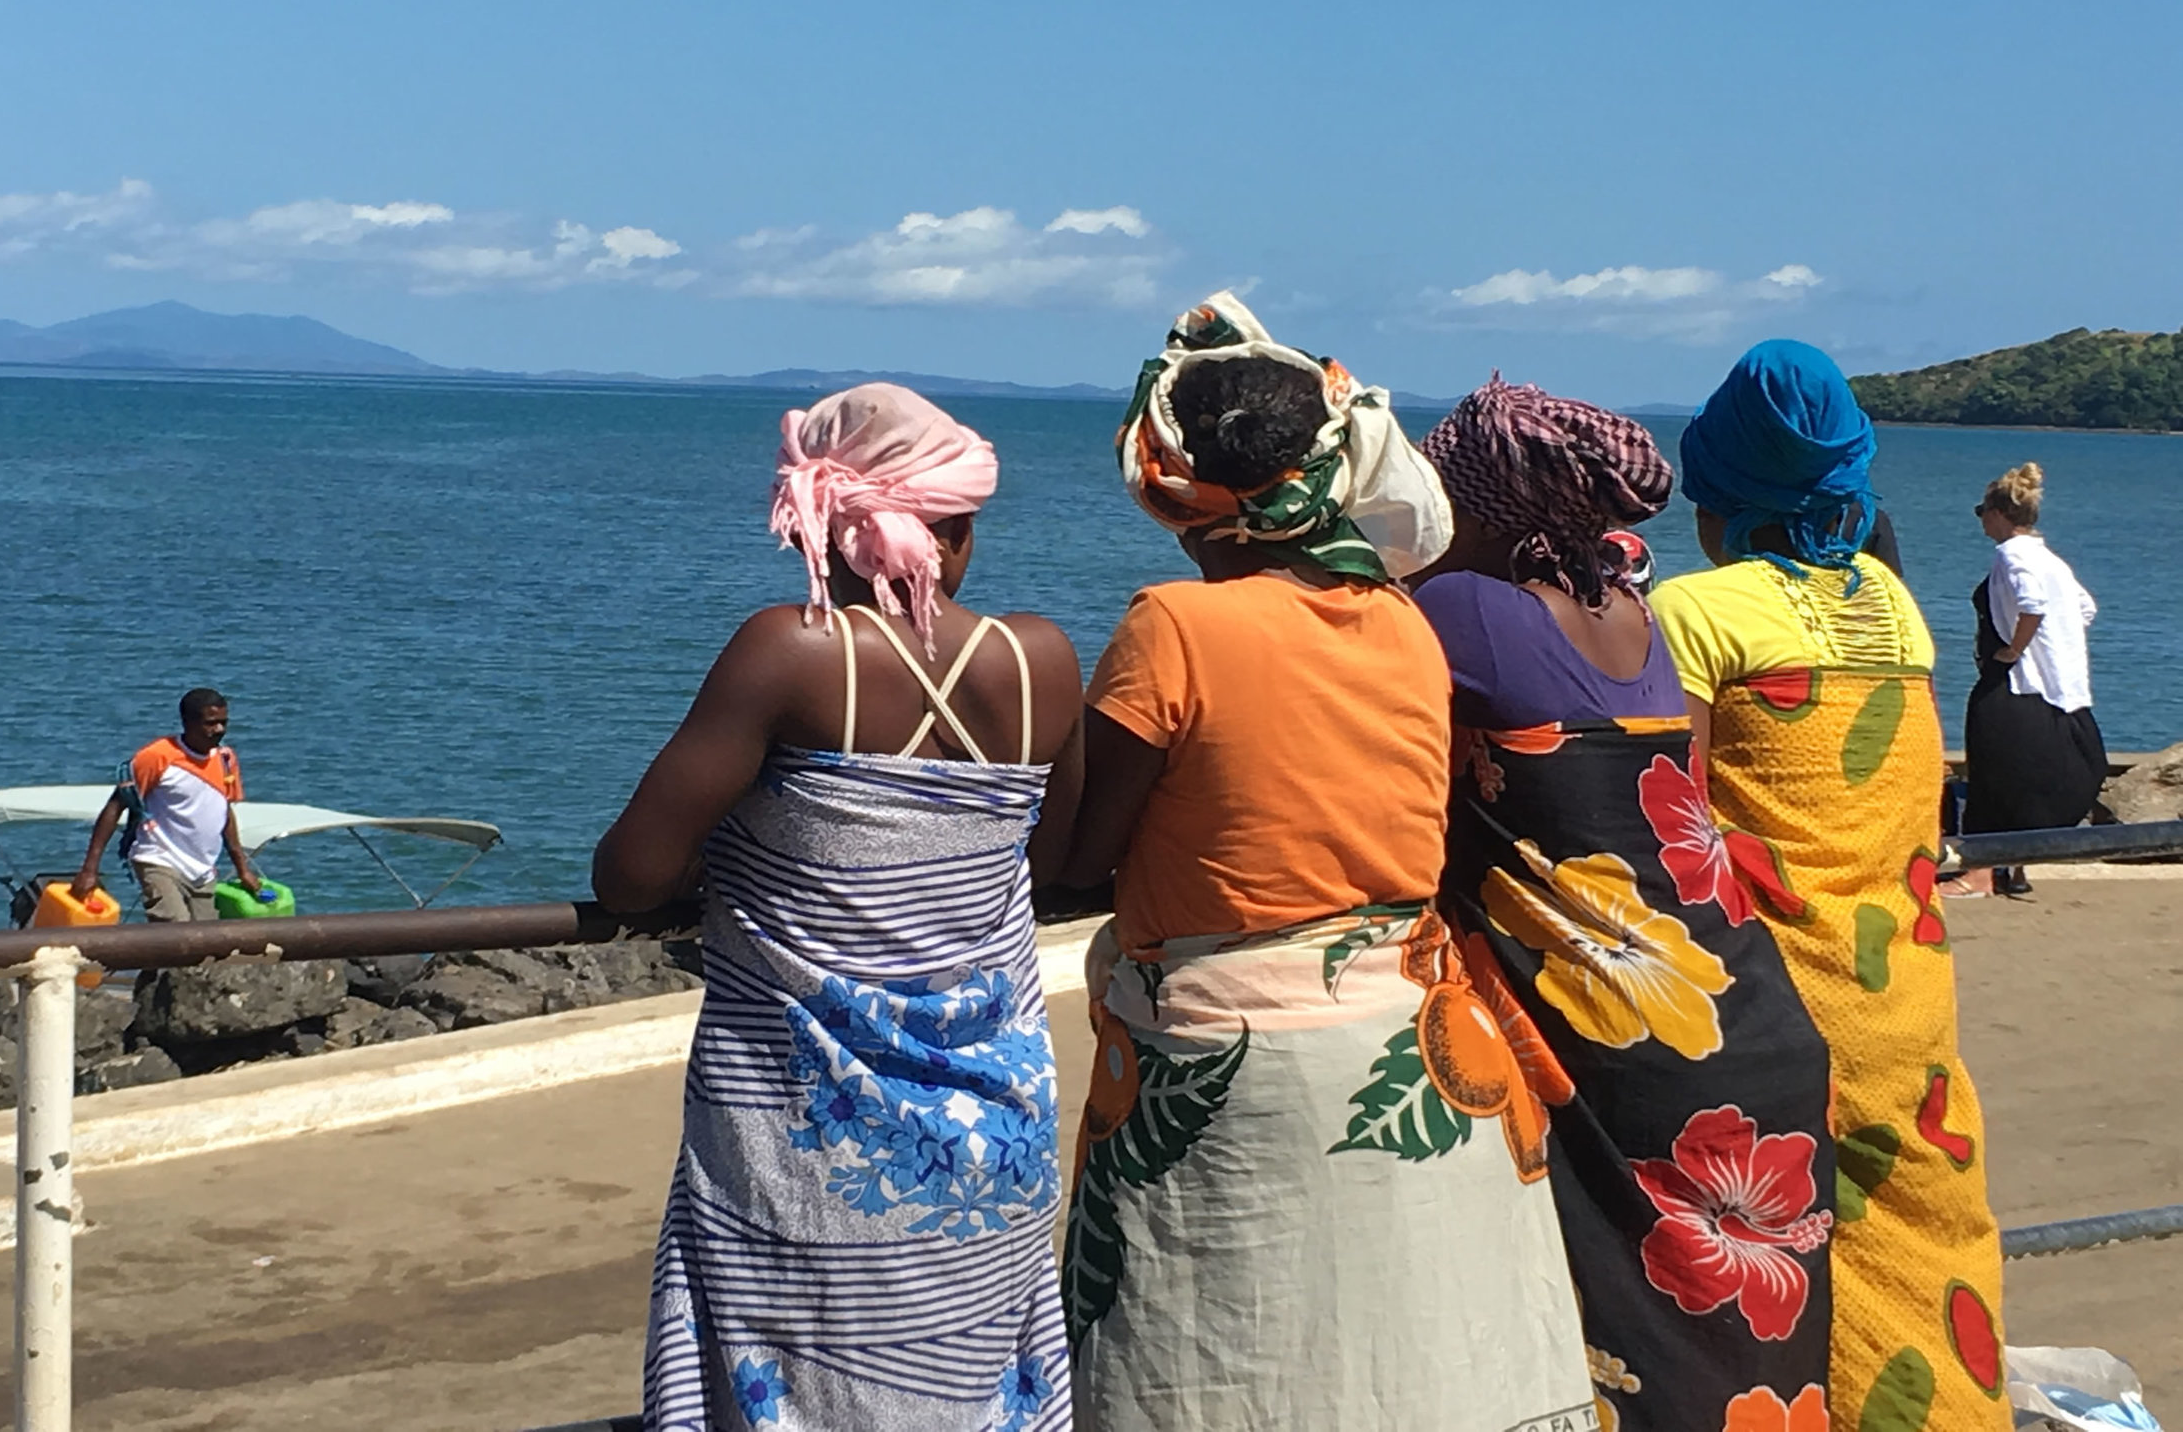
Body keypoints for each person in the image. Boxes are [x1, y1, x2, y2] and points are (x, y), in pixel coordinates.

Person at [1044, 295, 1597, 1431]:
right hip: (1413, 1036)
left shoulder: (1173, 626)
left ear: (1174, 487)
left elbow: (1078, 855)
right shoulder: (1401, 621)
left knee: (1217, 1373)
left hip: (1233, 1074)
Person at [595, 384, 1086, 1432]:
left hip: (805, 1135)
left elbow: (632, 872)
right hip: (990, 1126)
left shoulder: (789, 650)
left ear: (821, 526)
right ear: (951, 529)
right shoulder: (1038, 657)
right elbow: (1051, 856)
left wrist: (743, 862)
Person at [1415, 376, 1844, 1431]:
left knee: (1642, 1368)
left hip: (1635, 1046)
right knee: (1753, 1373)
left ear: (1483, 502)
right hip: (1747, 1015)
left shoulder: (1461, 611)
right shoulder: (1636, 612)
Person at [1648, 341, 2010, 1432]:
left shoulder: (1694, 612)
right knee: (1928, 1231)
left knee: (1805, 1261)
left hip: (1787, 995)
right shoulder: (1897, 611)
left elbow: (1679, 824)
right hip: (1906, 985)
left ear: (1722, 494)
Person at [1963, 462, 2105, 897]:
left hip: (2015, 681)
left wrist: (2014, 649)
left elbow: (2032, 603)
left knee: (1991, 772)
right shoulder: (2051, 560)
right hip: (2058, 686)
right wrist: (2055, 647)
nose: (1981, 521)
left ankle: (1979, 873)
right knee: (2026, 774)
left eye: (1981, 512)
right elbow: (2085, 609)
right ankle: (2018, 868)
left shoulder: (2011, 554)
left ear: (1998, 513)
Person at [71, 688, 262, 922]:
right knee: (176, 931)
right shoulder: (157, 757)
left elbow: (224, 813)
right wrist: (89, 869)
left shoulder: (225, 758)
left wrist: (242, 868)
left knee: (207, 943)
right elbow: (114, 807)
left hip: (203, 869)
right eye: (210, 723)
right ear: (187, 722)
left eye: (223, 722)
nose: (219, 730)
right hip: (159, 860)